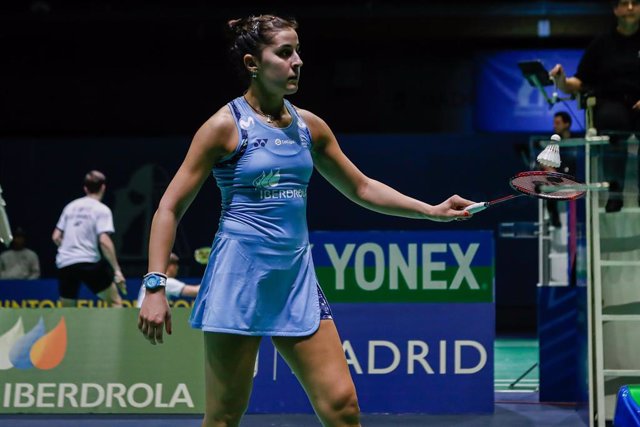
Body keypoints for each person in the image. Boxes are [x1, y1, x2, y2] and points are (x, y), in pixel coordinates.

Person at [137, 15, 475, 427]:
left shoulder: (308, 127)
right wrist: (154, 285)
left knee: (342, 405)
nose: (297, 61)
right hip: (239, 279)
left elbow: (362, 187)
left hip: (295, 279)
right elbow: (169, 207)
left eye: (298, 51)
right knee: (225, 415)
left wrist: (431, 210)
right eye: (284, 52)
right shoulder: (224, 127)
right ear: (252, 63)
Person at [550, 0, 640, 212]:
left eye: (635, 3)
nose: (629, 8)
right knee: (611, 120)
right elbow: (578, 82)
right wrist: (561, 80)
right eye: (624, 3)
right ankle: (615, 190)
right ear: (615, 10)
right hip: (612, 104)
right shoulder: (601, 44)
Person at [52, 170, 127, 307]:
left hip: (65, 263)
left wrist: (70, 249)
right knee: (116, 303)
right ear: (103, 187)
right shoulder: (102, 210)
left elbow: (56, 236)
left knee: (67, 309)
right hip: (89, 262)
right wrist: (116, 270)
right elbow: (104, 240)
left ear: (85, 188)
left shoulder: (70, 207)